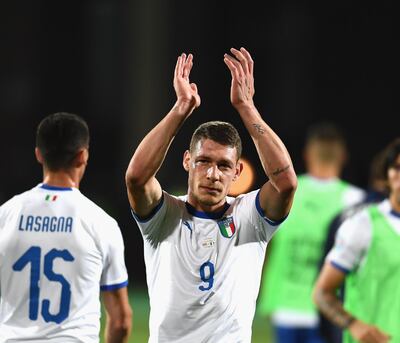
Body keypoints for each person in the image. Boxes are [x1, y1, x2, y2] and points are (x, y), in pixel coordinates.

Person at [125, 47, 297, 342]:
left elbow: (286, 183)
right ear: (187, 161)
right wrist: (180, 109)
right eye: (203, 161)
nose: (213, 174)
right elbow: (137, 178)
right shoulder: (165, 216)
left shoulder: (249, 218)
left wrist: (247, 107)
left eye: (224, 165)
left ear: (237, 172)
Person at [0, 113, 132, 342]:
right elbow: (120, 321)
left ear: (39, 154)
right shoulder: (101, 223)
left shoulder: (6, 215)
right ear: (83, 156)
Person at [257, 122, 366, 343]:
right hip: (331, 310)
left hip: (285, 306)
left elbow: (265, 246)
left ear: (307, 155)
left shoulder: (285, 193)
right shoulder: (356, 201)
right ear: (343, 156)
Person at [313, 137, 400, 343]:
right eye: (396, 168)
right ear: (386, 176)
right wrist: (354, 325)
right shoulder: (363, 224)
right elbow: (322, 293)